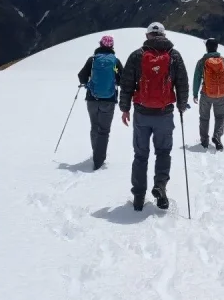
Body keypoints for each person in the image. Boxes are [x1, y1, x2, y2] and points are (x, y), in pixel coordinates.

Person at [119, 22, 190, 210]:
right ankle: (160, 187)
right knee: (163, 152)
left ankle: (138, 197)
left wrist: (125, 108)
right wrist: (182, 105)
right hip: (164, 113)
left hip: (142, 113)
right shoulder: (174, 55)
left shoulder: (137, 55)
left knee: (140, 155)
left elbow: (127, 84)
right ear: (164, 35)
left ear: (147, 35)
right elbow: (182, 82)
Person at [77, 35, 122, 170]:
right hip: (108, 100)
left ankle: (96, 151)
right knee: (104, 130)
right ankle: (99, 158)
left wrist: (87, 83)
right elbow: (122, 78)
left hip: (92, 99)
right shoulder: (115, 61)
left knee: (94, 126)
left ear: (100, 45)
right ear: (112, 47)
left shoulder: (92, 60)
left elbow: (81, 76)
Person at [192, 38, 224, 151]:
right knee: (220, 117)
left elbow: (197, 78)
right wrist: (221, 88)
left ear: (207, 47)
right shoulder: (223, 60)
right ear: (217, 47)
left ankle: (204, 141)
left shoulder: (202, 61)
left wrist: (195, 94)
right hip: (221, 95)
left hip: (206, 94)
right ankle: (217, 136)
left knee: (204, 118)